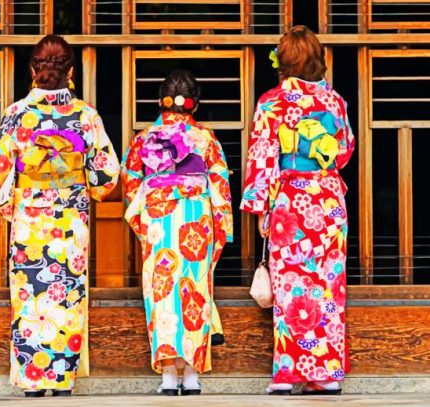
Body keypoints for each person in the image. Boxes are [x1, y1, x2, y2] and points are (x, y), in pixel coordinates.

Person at [0, 34, 119, 397]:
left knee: (31, 296)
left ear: (33, 70)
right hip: (70, 216)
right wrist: (81, 178)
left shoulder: (17, 114)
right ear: (71, 71)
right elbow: (105, 174)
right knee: (66, 296)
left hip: (31, 215)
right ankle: (61, 378)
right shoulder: (85, 115)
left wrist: (22, 184)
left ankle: (32, 379)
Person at [240, 25, 355, 396]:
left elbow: (262, 156)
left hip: (290, 199)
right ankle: (326, 372)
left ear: (283, 62)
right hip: (328, 198)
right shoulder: (335, 102)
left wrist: (261, 208)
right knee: (328, 285)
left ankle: (290, 370)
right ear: (318, 60)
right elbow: (345, 150)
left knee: (293, 286)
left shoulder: (272, 102)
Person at [122, 69, 233, 396]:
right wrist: (220, 227)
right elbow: (220, 186)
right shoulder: (206, 138)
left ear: (160, 102)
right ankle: (193, 375)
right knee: (194, 290)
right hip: (196, 218)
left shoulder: (144, 139)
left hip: (158, 218)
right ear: (194, 105)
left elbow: (131, 185)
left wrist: (143, 224)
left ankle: (168, 375)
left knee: (162, 293)